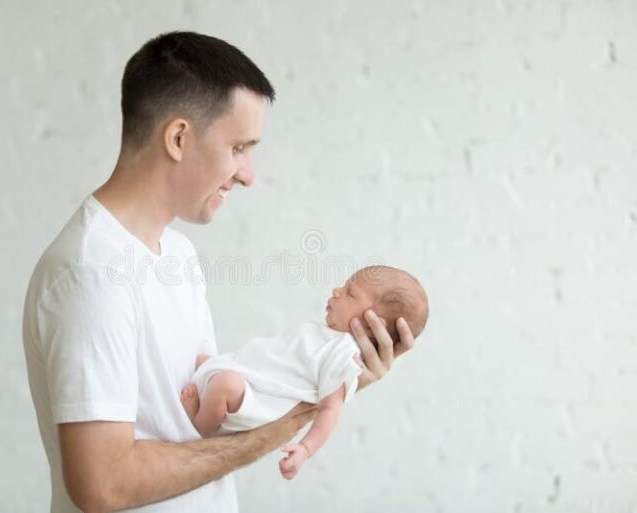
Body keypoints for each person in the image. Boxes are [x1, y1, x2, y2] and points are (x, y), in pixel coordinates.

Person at [22, 31, 416, 513]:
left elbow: (199, 424)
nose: (249, 173)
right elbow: (103, 484)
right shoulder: (92, 273)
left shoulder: (178, 255)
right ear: (179, 137)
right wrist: (277, 430)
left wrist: (330, 379)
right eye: (239, 148)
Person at [181, 265, 429, 480]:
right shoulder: (327, 336)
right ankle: (208, 399)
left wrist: (305, 449)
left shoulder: (344, 355)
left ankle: (199, 429)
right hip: (249, 378)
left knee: (225, 384)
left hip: (259, 400)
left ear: (373, 323)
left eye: (350, 293)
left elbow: (331, 408)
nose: (337, 291)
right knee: (205, 361)